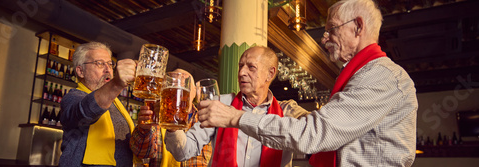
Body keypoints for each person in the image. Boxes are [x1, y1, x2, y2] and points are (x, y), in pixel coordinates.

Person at [196, 0, 418, 166]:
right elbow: (336, 133)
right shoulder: (364, 75)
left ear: (358, 27)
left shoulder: (381, 76)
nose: (324, 38)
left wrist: (235, 117)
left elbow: (313, 134)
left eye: (331, 29)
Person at [161, 46, 310, 167]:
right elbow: (183, 152)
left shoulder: (288, 111)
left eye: (251, 67)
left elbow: (314, 133)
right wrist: (173, 127)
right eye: (240, 66)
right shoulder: (220, 104)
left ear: (270, 74)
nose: (241, 72)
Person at [59, 41, 140, 166]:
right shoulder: (73, 97)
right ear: (80, 71)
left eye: (109, 64)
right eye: (100, 64)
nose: (108, 70)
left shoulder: (117, 104)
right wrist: (117, 84)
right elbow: (84, 111)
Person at [129, 69, 213, 167]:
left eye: (185, 84)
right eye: (173, 83)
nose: (179, 89)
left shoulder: (206, 118)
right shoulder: (156, 115)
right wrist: (144, 129)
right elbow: (140, 153)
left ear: (195, 91)